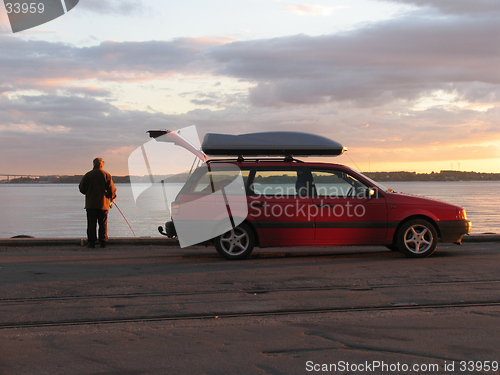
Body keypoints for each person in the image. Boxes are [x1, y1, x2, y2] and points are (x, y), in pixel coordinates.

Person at [79, 157, 117, 248]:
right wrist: (112, 197)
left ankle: (91, 242)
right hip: (103, 205)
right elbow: (112, 189)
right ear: (102, 164)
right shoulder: (106, 175)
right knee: (103, 224)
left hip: (91, 204)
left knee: (91, 224)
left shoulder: (88, 175)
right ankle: (103, 242)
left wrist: (89, 192)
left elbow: (82, 189)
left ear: (94, 164)